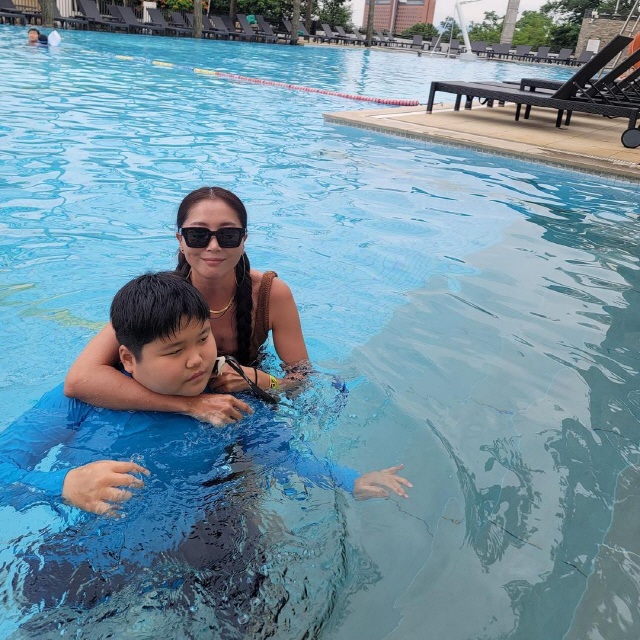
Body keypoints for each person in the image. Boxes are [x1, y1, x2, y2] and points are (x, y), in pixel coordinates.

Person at [0, 272, 411, 624]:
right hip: (94, 545)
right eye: (174, 352)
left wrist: (350, 479)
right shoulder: (78, 401)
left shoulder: (230, 402)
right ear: (128, 357)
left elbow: (283, 457)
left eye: (202, 340)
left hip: (205, 537)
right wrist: (63, 485)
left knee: (260, 616)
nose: (197, 360)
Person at [65, 187, 309, 425]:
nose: (213, 246)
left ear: (243, 240)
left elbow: (303, 379)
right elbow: (79, 380)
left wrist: (264, 381)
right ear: (180, 240)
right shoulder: (166, 297)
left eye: (228, 235)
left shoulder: (271, 293)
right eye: (198, 235)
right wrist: (192, 405)